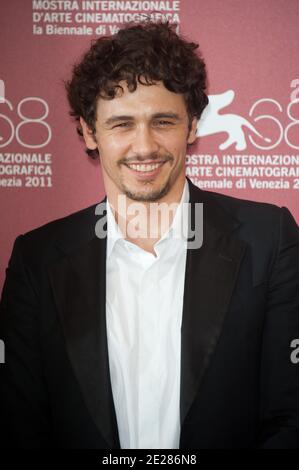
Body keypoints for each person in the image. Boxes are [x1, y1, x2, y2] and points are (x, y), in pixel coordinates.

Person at [0, 19, 299, 449]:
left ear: (192, 125)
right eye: (122, 124)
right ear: (89, 131)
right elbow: (20, 428)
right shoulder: (37, 260)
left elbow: (289, 417)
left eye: (162, 121)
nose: (144, 146)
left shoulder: (268, 241)